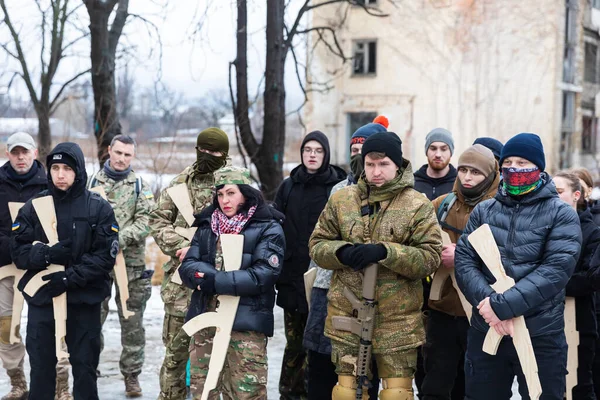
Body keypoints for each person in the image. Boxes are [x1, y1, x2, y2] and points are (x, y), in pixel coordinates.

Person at [309, 131, 442, 399]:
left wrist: (386, 252)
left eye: (383, 164)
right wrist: (342, 252)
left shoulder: (417, 205)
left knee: (397, 394)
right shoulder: (342, 200)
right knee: (347, 393)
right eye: (370, 164)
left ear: (397, 164)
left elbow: (429, 258)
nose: (376, 171)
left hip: (397, 323)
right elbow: (317, 244)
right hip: (348, 316)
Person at [455, 133, 582, 400]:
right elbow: (465, 261)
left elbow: (555, 270)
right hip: (487, 331)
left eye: (523, 163)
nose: (515, 169)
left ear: (538, 168)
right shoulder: (484, 211)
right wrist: (489, 304)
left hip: (540, 334)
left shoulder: (562, 214)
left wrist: (502, 306)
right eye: (509, 162)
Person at [10, 142, 118, 400]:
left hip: (84, 301)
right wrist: (46, 255)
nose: (60, 174)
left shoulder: (98, 207)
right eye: (55, 168)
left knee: (85, 369)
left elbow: (105, 256)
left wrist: (70, 277)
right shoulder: (34, 206)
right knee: (41, 370)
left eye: (67, 168)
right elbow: (18, 251)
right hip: (44, 299)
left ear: (78, 170)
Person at [179, 166, 285, 399]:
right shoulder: (207, 224)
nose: (224, 200)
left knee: (246, 392)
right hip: (206, 320)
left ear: (246, 193)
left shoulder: (268, 226)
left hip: (246, 326)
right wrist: (201, 277)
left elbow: (264, 274)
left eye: (231, 193)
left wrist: (215, 280)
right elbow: (188, 266)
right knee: (204, 390)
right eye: (220, 194)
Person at [303, 118, 387, 400]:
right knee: (320, 362)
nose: (357, 157)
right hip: (327, 287)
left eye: (362, 151)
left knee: (362, 371)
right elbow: (321, 237)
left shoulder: (394, 197)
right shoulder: (338, 191)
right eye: (353, 150)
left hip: (369, 294)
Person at [149, 127, 229, 400]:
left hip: (221, 285)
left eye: (214, 152)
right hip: (181, 284)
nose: (207, 156)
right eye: (203, 150)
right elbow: (157, 222)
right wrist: (180, 247)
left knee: (217, 357)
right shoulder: (178, 184)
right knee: (176, 354)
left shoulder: (232, 184)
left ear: (224, 154)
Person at [421, 144, 500, 400]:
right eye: (463, 170)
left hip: (481, 313)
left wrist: (462, 255)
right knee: (434, 386)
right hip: (442, 311)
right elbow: (418, 243)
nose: (467, 177)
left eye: (475, 172)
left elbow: (512, 257)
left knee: (476, 387)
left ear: (489, 175)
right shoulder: (442, 204)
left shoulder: (502, 209)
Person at [274, 130, 346, 399]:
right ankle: (289, 393)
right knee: (294, 344)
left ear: (325, 154)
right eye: (308, 150)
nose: (312, 155)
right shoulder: (288, 185)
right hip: (293, 276)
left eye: (318, 151)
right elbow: (276, 228)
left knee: (320, 344)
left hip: (325, 279)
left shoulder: (338, 187)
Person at [89, 135, 155, 397]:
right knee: (93, 317)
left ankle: (131, 376)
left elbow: (146, 221)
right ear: (109, 151)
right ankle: (89, 368)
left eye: (127, 155)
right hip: (97, 263)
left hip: (131, 265)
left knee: (132, 321)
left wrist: (117, 239)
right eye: (118, 153)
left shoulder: (140, 185)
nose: (121, 159)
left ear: (132, 157)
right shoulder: (92, 183)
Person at [0, 132, 46, 400]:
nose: (20, 157)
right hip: (5, 266)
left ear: (35, 152)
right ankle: (17, 381)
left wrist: (33, 250)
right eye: (15, 152)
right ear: (8, 154)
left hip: (39, 267)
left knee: (45, 327)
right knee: (7, 326)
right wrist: (13, 247)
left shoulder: (47, 182)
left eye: (25, 152)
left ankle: (55, 380)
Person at [413, 127, 457, 396]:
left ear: (451, 152)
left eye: (443, 148)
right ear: (426, 150)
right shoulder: (412, 183)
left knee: (444, 350)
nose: (438, 153)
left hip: (449, 277)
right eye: (433, 148)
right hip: (416, 277)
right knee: (418, 349)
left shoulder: (459, 184)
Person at [554, 171, 600, 400]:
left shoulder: (591, 231)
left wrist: (547, 284)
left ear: (576, 195)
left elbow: (590, 278)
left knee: (579, 386)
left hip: (580, 320)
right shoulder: (541, 229)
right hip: (545, 322)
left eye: (559, 192)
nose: (553, 197)